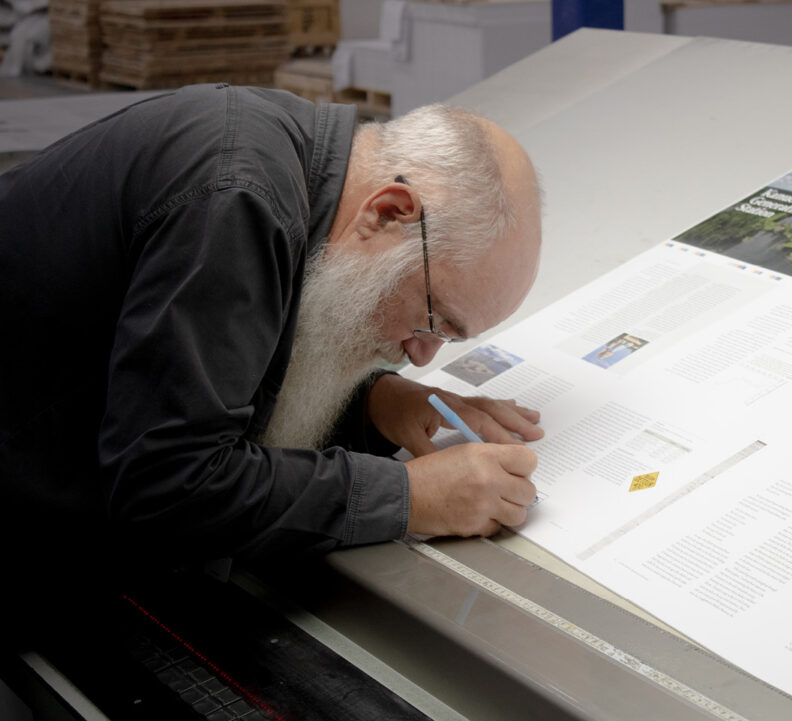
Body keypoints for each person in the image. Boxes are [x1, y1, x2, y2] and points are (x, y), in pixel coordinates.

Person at [0, 83, 544, 631]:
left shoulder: (296, 166)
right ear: (388, 213)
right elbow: (168, 486)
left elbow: (233, 363)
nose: (423, 357)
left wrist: (378, 403)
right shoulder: (235, 200)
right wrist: (411, 495)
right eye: (435, 321)